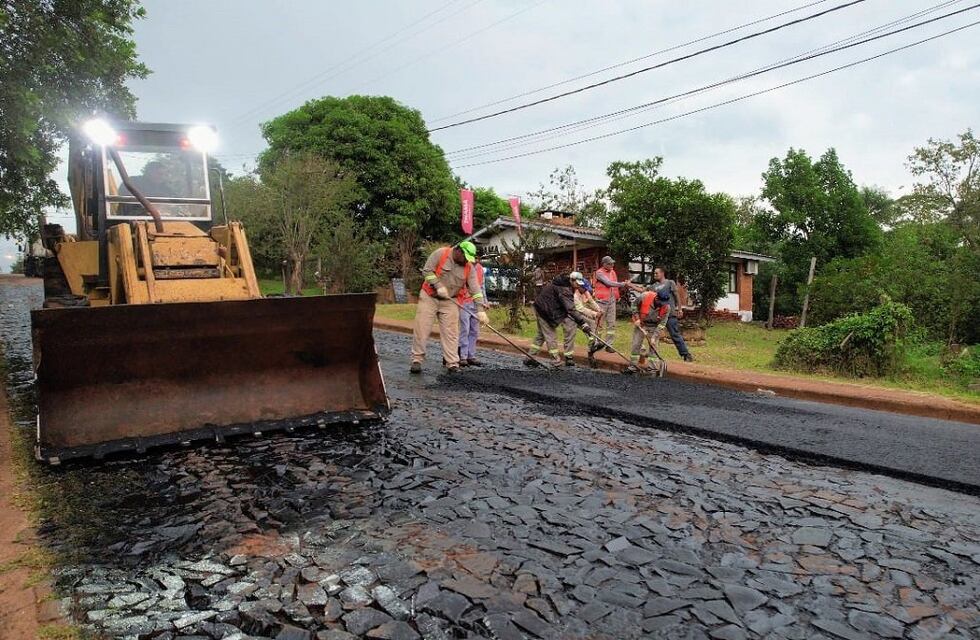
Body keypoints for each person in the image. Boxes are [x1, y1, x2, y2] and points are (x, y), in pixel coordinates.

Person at [410, 241, 487, 373]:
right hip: (430, 297)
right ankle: (417, 359)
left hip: (451, 300)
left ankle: (452, 363)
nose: (466, 261)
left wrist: (481, 311)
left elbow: (476, 289)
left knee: (452, 333)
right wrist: (438, 285)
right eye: (465, 257)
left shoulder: (469, 267)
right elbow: (427, 271)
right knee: (422, 329)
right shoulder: (441, 253)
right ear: (458, 251)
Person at [525, 273, 593, 366]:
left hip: (543, 308)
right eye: (577, 283)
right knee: (551, 335)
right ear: (571, 280)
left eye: (579, 284)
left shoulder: (563, 285)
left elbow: (567, 307)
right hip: (545, 311)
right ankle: (555, 360)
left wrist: (581, 323)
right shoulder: (564, 289)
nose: (578, 285)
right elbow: (571, 308)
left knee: (541, 335)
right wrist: (583, 323)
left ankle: (530, 357)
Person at [592, 256, 642, 352]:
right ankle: (596, 342)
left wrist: (617, 296)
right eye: (610, 263)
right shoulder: (599, 273)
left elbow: (614, 286)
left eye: (613, 263)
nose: (612, 265)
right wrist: (624, 284)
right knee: (599, 323)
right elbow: (609, 283)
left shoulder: (613, 272)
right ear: (604, 264)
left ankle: (609, 345)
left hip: (611, 300)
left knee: (611, 323)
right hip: (601, 301)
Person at [651, 266, 694, 362]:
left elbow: (677, 296)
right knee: (652, 334)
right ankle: (651, 354)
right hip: (658, 315)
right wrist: (629, 285)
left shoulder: (670, 283)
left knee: (675, 334)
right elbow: (643, 291)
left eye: (656, 273)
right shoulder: (653, 286)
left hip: (670, 314)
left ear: (662, 273)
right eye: (654, 273)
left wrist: (679, 309)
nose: (655, 275)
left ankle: (686, 355)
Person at [624, 288, 670, 374]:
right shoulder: (644, 296)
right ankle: (633, 367)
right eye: (661, 303)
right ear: (656, 298)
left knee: (653, 346)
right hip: (641, 323)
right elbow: (634, 305)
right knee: (636, 345)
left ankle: (652, 369)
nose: (663, 305)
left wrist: (654, 337)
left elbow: (662, 324)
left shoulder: (666, 307)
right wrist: (637, 318)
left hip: (654, 326)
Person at [561, 272, 601, 366]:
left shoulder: (582, 289)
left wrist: (599, 310)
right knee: (571, 332)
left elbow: (590, 300)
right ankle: (568, 357)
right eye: (584, 288)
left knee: (591, 323)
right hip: (568, 315)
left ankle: (592, 347)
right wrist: (595, 314)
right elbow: (580, 308)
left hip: (577, 314)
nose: (586, 291)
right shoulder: (571, 293)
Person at [458, 255, 488, 367]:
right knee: (465, 329)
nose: (476, 260)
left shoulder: (480, 269)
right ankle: (463, 356)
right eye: (475, 258)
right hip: (464, 303)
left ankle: (471, 355)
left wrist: (485, 301)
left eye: (478, 258)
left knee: (474, 331)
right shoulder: (464, 267)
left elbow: (482, 286)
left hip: (476, 304)